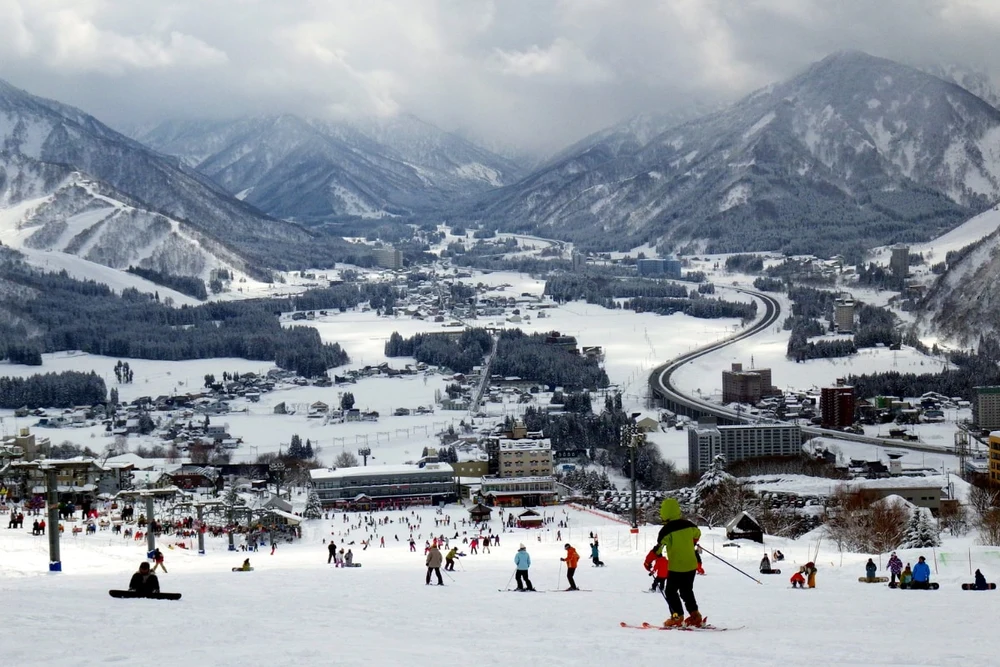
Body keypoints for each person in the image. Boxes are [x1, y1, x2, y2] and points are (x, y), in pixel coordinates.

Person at [656, 498, 702, 627]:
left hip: (676, 567)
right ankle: (695, 615)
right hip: (691, 565)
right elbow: (697, 533)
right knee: (686, 591)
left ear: (664, 513)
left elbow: (659, 548)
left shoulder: (666, 530)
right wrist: (692, 542)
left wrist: (649, 561)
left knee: (670, 592)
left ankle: (676, 617)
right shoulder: (688, 524)